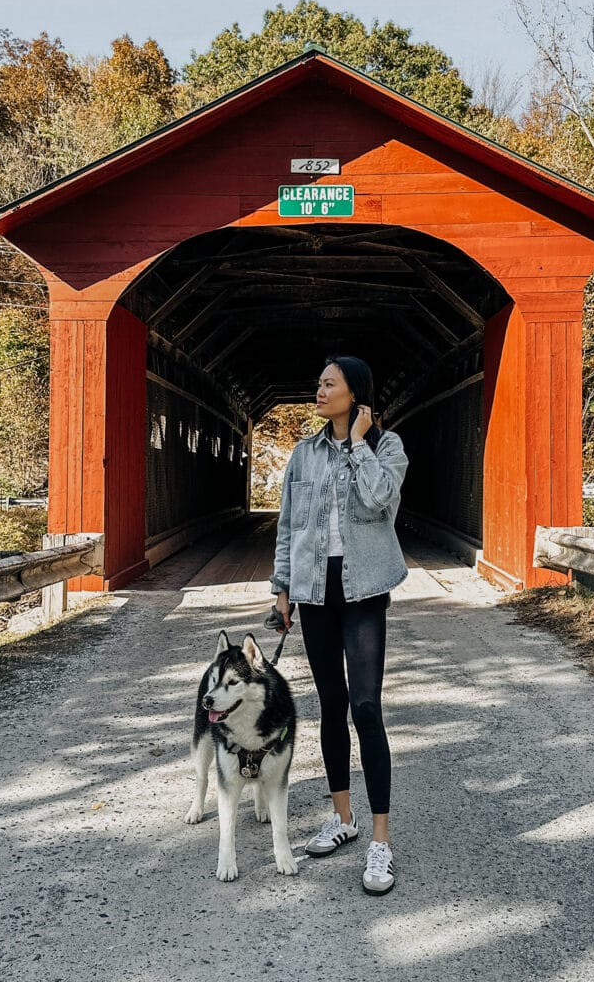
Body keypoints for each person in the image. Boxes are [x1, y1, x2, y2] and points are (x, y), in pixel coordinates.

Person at [269, 354, 409, 895]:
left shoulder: (386, 449)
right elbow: (288, 526)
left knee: (366, 706)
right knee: (330, 703)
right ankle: (342, 818)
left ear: (356, 394)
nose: (319, 390)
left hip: (365, 590)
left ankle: (380, 841)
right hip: (315, 594)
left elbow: (378, 501)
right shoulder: (303, 454)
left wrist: (357, 444)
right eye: (319, 382)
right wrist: (281, 588)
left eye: (329, 383)